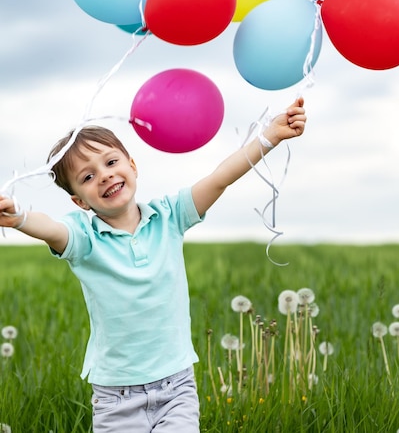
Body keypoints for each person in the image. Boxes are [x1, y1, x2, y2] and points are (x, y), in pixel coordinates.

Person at [0, 97, 306, 433]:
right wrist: (20, 218)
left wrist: (269, 137)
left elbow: (219, 178)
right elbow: (52, 229)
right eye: (87, 176)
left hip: (176, 388)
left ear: (132, 165)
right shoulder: (84, 238)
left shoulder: (170, 216)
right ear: (78, 201)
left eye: (111, 161)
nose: (104, 176)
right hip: (117, 397)